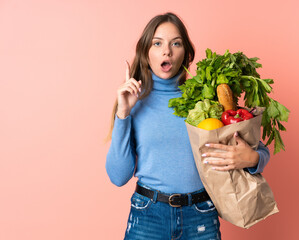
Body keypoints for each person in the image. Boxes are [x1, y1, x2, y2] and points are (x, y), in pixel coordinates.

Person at [106, 12, 270, 240]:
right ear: (146, 52)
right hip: (148, 216)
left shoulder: (207, 100)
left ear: (186, 53)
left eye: (176, 43)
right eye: (157, 43)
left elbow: (260, 151)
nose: (167, 51)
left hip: (201, 215)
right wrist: (122, 113)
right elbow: (118, 176)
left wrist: (251, 159)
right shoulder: (133, 103)